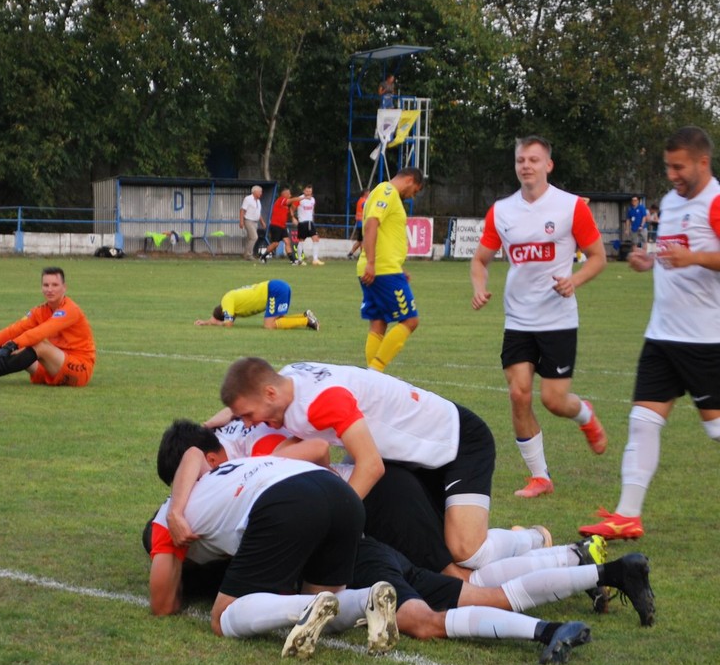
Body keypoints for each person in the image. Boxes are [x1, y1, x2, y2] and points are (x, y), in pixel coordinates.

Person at [149, 423, 655, 664]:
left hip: (340, 509)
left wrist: (174, 519)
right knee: (462, 580)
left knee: (435, 611)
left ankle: (556, 592)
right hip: (351, 503)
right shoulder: (248, 452)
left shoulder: (181, 505)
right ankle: (580, 561)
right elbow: (312, 454)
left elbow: (162, 602)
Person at [218, 358, 567, 583]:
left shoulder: (321, 401)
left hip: (457, 443)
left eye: (249, 416)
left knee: (466, 551)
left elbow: (370, 466)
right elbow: (242, 401)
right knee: (443, 560)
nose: (251, 424)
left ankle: (534, 537)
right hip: (415, 455)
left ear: (268, 392)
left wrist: (332, 519)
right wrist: (209, 428)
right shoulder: (287, 378)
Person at [579, 126, 720, 540]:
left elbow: (695, 255)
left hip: (705, 339)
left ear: (702, 162)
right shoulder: (671, 203)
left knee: (715, 428)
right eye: (667, 166)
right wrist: (650, 260)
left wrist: (692, 256)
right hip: (662, 335)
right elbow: (672, 255)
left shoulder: (714, 201)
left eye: (679, 167)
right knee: (642, 420)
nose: (672, 174)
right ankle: (627, 515)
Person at [149, 447, 399, 659]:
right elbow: (193, 452)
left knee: (221, 617)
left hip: (284, 498)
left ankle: (308, 605)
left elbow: (163, 605)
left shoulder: (165, 520)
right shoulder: (216, 474)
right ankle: (368, 597)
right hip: (341, 493)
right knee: (328, 605)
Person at [470, 136, 608, 498]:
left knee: (554, 400)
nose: (526, 166)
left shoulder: (571, 207)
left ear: (549, 165)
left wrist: (574, 280)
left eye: (533, 159)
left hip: (558, 320)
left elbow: (598, 256)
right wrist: (479, 286)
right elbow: (479, 260)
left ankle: (585, 415)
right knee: (519, 394)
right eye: (520, 160)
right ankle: (540, 477)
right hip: (518, 319)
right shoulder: (501, 211)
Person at [357, 167, 424, 372]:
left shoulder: (387, 194)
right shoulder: (387, 191)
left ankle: (371, 376)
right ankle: (375, 372)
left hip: (383, 267)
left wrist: (398, 267)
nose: (413, 195)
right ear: (410, 180)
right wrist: (372, 262)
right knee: (410, 320)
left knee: (378, 322)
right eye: (416, 190)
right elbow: (372, 223)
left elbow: (385, 233)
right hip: (381, 269)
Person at [194, 280, 319, 331]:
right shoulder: (234, 303)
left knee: (269, 325)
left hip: (274, 289)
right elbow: (222, 319)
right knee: (277, 320)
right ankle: (305, 316)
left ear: (223, 311)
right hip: (278, 286)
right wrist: (206, 322)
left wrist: (216, 323)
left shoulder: (226, 300)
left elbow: (228, 324)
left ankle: (306, 321)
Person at [262, 186, 299, 264]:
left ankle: (293, 260)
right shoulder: (281, 200)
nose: (290, 195)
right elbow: (290, 201)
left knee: (287, 241)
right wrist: (300, 198)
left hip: (282, 226)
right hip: (276, 225)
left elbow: (288, 213)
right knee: (275, 244)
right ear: (284, 194)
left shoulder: (285, 205)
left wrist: (293, 218)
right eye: (289, 194)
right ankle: (263, 256)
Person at [293, 185, 323, 265]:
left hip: (310, 222)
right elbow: (292, 208)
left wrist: (313, 219)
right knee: (301, 240)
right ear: (304, 191)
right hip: (302, 222)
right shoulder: (299, 199)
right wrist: (293, 217)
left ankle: (315, 259)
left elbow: (312, 211)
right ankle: (299, 259)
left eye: (310, 191)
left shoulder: (313, 199)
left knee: (316, 239)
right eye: (307, 191)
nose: (308, 193)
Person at [239, 185, 266, 260]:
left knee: (250, 238)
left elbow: (258, 212)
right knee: (254, 237)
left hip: (255, 222)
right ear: (255, 191)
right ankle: (249, 254)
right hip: (248, 220)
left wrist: (262, 222)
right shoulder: (248, 199)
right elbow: (242, 210)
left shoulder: (258, 201)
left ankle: (246, 255)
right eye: (260, 192)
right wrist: (241, 221)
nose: (261, 193)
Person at [347, 189, 369, 260]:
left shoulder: (360, 200)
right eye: (368, 193)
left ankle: (350, 253)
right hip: (362, 223)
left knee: (360, 240)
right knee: (362, 240)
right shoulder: (364, 202)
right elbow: (367, 208)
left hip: (360, 223)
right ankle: (362, 256)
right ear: (365, 194)